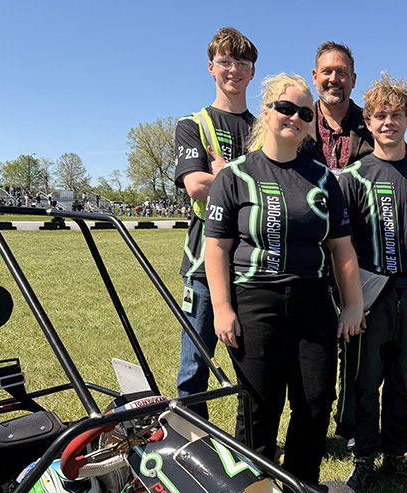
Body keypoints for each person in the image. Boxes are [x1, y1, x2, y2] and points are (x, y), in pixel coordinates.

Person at [204, 73, 364, 485]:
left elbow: (341, 247)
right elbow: (217, 248)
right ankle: (254, 484)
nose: (295, 117)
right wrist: (222, 309)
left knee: (314, 401)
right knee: (261, 404)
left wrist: (353, 304)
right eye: (286, 108)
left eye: (304, 113)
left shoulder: (324, 178)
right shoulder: (234, 175)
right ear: (267, 110)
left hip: (312, 299)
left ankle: (301, 482)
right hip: (255, 300)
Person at [337, 73, 407, 492]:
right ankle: (363, 456)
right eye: (380, 115)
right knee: (365, 379)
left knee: (404, 376)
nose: (388, 123)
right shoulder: (352, 176)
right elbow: (340, 243)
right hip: (369, 293)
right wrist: (350, 299)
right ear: (368, 120)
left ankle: (396, 452)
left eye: (396, 115)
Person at [172, 27, 258, 419]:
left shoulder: (263, 127)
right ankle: (193, 444)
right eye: (225, 61)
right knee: (195, 367)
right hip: (203, 265)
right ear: (211, 67)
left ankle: (252, 446)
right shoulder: (193, 124)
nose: (234, 70)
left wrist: (223, 174)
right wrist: (239, 182)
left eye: (242, 63)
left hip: (252, 263)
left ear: (252, 72)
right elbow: (195, 184)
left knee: (254, 370)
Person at [300, 42, 373, 171]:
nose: (333, 79)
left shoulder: (374, 126)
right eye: (326, 72)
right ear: (315, 77)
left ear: (353, 79)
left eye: (341, 72)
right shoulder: (297, 123)